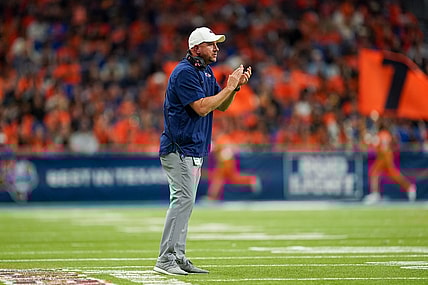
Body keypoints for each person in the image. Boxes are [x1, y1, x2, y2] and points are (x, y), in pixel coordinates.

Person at [154, 27, 252, 276]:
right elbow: (200, 107)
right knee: (182, 202)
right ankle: (166, 259)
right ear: (196, 48)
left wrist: (234, 88)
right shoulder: (185, 72)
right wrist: (228, 88)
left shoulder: (205, 72)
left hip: (192, 148)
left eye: (217, 43)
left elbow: (221, 106)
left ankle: (179, 256)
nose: (216, 47)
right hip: (180, 148)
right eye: (211, 44)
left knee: (186, 204)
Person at [364, 121, 417, 204]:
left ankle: (375, 194)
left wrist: (369, 140)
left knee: (374, 173)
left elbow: (375, 145)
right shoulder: (387, 134)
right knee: (392, 175)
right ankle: (409, 187)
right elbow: (394, 143)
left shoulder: (381, 134)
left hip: (383, 156)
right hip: (387, 155)